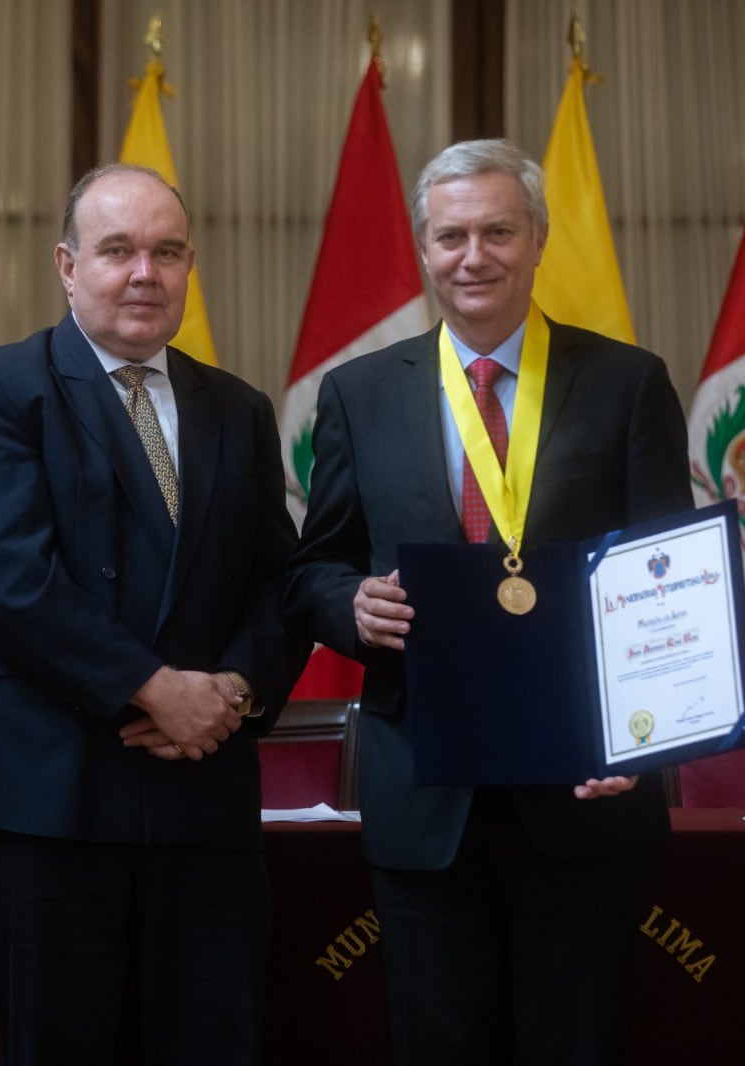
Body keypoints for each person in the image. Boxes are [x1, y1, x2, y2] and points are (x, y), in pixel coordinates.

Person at [285, 139, 693, 1064]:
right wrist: (349, 604)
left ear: (539, 239)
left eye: (498, 232)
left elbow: (669, 580)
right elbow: (313, 567)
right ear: (425, 249)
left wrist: (645, 737)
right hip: (425, 792)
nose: (474, 256)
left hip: (588, 789)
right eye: (451, 236)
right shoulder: (357, 395)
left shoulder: (628, 383)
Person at [0, 163, 305, 1066]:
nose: (146, 273)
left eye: (167, 253)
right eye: (119, 251)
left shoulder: (237, 408)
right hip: (47, 804)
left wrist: (235, 691)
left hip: (201, 800)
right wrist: (152, 688)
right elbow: (8, 581)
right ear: (66, 265)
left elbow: (277, 584)